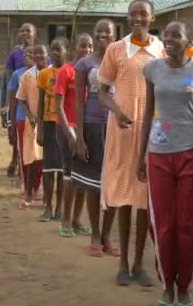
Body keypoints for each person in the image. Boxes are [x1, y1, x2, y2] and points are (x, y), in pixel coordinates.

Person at [138, 20, 193, 306]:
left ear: (189, 40)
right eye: (166, 34)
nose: (169, 39)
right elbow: (147, 115)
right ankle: (167, 284)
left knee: (186, 225)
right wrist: (140, 156)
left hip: (190, 153)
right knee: (163, 225)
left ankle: (184, 286)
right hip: (158, 154)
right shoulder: (152, 69)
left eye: (176, 35)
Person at [98, 0, 164, 287]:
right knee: (124, 198)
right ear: (127, 19)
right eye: (132, 14)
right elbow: (102, 91)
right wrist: (117, 112)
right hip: (123, 132)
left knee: (144, 201)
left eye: (143, 14)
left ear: (152, 18)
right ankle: (123, 263)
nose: (137, 19)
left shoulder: (161, 50)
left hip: (152, 133)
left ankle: (139, 264)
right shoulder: (116, 50)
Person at [73, 20, 119, 258]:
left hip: (118, 127)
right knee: (93, 182)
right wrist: (79, 136)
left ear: (115, 35)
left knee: (114, 182)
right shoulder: (84, 64)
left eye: (107, 31)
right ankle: (94, 234)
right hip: (92, 127)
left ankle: (107, 235)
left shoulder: (122, 58)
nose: (102, 35)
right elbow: (78, 102)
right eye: (98, 31)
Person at [54, 34, 95, 236]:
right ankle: (65, 221)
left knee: (84, 177)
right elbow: (58, 105)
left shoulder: (92, 73)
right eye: (83, 46)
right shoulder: (66, 71)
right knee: (70, 175)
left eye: (90, 46)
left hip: (86, 129)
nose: (87, 50)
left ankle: (78, 219)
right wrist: (69, 134)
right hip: (66, 129)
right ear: (74, 48)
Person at [36, 39, 65, 223]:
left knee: (62, 170)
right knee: (48, 168)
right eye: (52, 50)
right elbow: (40, 103)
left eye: (59, 50)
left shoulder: (71, 72)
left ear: (66, 51)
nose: (55, 53)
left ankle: (60, 209)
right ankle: (48, 207)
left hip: (65, 126)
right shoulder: (44, 74)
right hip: (48, 124)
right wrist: (39, 128)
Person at [8, 46, 43, 200]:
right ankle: (26, 184)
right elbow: (15, 101)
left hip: (43, 121)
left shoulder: (48, 73)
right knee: (27, 154)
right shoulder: (19, 75)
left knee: (40, 154)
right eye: (27, 54)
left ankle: (37, 185)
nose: (30, 56)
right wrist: (11, 121)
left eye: (33, 54)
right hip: (23, 120)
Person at [3, 23, 37, 177]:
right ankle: (15, 160)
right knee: (17, 133)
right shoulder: (14, 54)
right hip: (18, 99)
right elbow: (9, 79)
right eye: (22, 30)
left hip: (36, 99)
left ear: (34, 34)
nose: (25, 33)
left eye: (28, 31)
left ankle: (33, 165)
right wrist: (7, 103)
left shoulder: (42, 53)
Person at [17, 44, 48, 210]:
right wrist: (30, 117)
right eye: (35, 54)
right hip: (33, 124)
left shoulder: (53, 74)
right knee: (31, 160)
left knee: (48, 162)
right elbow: (21, 99)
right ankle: (28, 194)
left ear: (47, 55)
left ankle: (46, 198)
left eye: (41, 53)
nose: (38, 57)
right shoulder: (27, 76)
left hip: (50, 124)